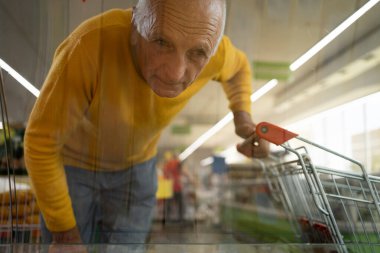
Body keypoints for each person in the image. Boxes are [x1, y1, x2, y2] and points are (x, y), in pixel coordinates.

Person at [24, 0, 269, 250]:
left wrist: (243, 119)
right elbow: (41, 143)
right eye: (161, 42)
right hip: (74, 167)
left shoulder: (217, 52)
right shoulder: (88, 46)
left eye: (197, 53)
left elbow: (239, 68)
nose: (175, 73)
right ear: (134, 29)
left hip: (138, 169)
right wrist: (65, 235)